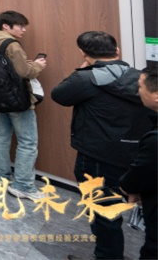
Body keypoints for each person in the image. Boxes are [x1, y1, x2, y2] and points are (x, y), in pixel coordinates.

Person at [51, 31, 152, 260]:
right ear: (117, 51)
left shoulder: (85, 78)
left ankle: (107, 256)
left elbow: (59, 95)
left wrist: (82, 69)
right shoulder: (142, 78)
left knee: (102, 212)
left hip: (97, 157)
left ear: (83, 54)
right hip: (135, 156)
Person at [0, 10, 47, 201]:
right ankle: (23, 185)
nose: (24, 30)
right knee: (27, 142)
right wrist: (38, 66)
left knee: (1, 136)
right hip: (17, 99)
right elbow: (25, 73)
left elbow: (1, 68)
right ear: (6, 26)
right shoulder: (12, 44)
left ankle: (0, 177)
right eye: (20, 26)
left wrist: (24, 64)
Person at [120, 63, 157, 260]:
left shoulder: (154, 140)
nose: (137, 90)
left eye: (140, 86)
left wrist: (128, 187)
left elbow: (141, 173)